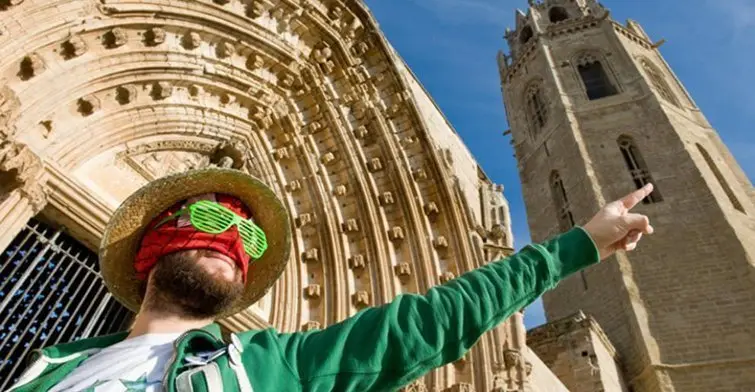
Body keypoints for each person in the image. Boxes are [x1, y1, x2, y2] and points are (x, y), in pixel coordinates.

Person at [8, 167, 654, 392]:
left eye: (253, 241)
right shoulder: (51, 368)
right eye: (209, 219)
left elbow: (426, 324)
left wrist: (578, 246)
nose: (236, 243)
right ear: (155, 243)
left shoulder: (272, 368)